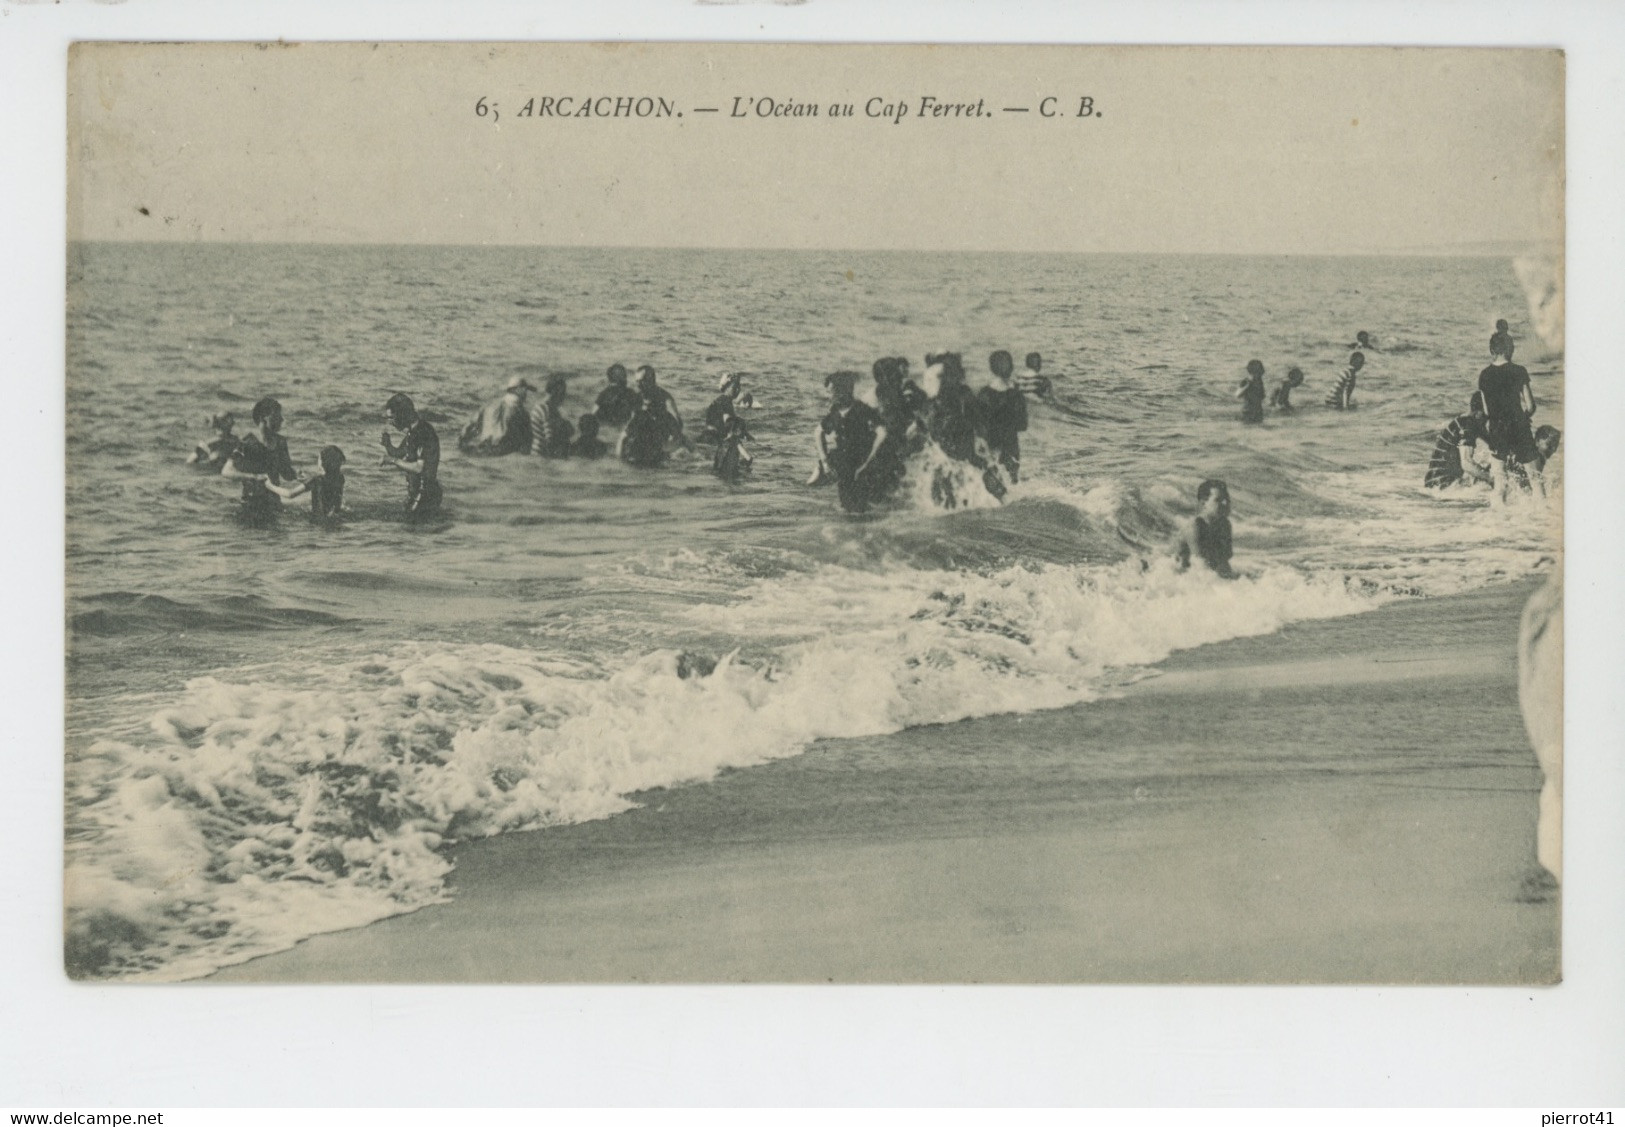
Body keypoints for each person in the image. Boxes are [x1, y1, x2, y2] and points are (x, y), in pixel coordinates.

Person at [817, 370, 888, 513]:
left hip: (862, 463)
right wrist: (824, 461)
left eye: (831, 392)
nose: (828, 396)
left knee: (862, 506)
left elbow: (882, 433)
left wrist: (869, 461)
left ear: (844, 391)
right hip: (845, 464)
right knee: (847, 505)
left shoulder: (862, 409)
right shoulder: (836, 412)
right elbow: (818, 432)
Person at [221, 396, 297, 522]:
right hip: (251, 503)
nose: (282, 419)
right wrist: (253, 477)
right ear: (263, 418)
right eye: (277, 416)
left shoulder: (281, 442)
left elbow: (286, 473)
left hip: (274, 502)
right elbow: (227, 471)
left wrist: (297, 475)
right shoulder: (247, 442)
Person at [1477, 331, 1539, 480]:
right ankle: (1539, 504)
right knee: (1534, 478)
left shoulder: (1484, 375)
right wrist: (1524, 417)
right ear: (1511, 349)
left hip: (1497, 429)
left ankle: (1499, 504)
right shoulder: (1519, 371)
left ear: (1492, 350)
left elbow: (1486, 410)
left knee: (1500, 481)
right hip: (1519, 427)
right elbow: (1531, 406)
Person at [380, 392, 442, 518]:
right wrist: (387, 444)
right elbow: (399, 453)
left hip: (425, 493)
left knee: (409, 527)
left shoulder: (423, 432)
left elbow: (418, 468)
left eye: (392, 418)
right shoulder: (413, 433)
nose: (391, 423)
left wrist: (391, 460)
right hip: (417, 492)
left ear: (402, 415)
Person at [1423, 391, 1494, 490]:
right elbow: (1467, 464)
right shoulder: (1468, 425)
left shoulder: (1464, 421)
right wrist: (1491, 478)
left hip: (1434, 483)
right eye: (1487, 416)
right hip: (1443, 485)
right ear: (1479, 413)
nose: (1488, 420)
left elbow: (1494, 445)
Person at [978, 350, 1030, 482]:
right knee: (1012, 478)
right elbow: (1023, 425)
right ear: (1011, 368)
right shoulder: (1016, 394)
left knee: (992, 479)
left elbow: (980, 425)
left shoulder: (984, 394)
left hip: (991, 442)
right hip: (1011, 443)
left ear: (991, 368)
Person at [1172, 479, 1236, 579]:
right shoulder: (1195, 527)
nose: (1225, 504)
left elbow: (1225, 561)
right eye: (1218, 500)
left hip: (1197, 575)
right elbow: (1202, 568)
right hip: (1173, 577)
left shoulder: (1225, 524)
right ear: (1203, 503)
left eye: (1226, 500)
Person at [458, 373, 535, 456]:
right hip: (504, 453)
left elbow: (466, 430)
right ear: (519, 390)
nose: (527, 394)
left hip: (483, 450)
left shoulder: (489, 406)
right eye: (525, 390)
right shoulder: (522, 413)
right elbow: (528, 442)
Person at [619, 379, 688, 468]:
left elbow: (680, 437)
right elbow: (623, 437)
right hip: (641, 455)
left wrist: (621, 460)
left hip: (649, 455)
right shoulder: (641, 416)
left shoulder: (666, 417)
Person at [269, 445, 347, 519]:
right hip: (334, 517)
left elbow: (290, 494)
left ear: (323, 462)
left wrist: (269, 485)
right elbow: (324, 483)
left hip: (318, 520)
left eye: (319, 458)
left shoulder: (316, 480)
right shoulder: (340, 478)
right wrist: (306, 479)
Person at [529, 373, 574, 458]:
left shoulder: (545, 407)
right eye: (562, 393)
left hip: (539, 453)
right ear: (555, 392)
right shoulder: (545, 410)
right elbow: (549, 439)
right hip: (542, 455)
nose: (564, 396)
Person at [701, 372, 745, 444]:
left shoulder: (722, 399)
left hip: (708, 435)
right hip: (713, 438)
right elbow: (728, 420)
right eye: (734, 387)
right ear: (726, 388)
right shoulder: (726, 401)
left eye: (739, 387)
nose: (738, 390)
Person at [594, 364, 639, 430]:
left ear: (609, 378)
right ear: (624, 378)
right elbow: (636, 416)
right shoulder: (631, 393)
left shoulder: (604, 393)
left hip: (605, 426)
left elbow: (592, 414)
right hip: (622, 425)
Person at [713, 414, 754, 484]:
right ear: (739, 431)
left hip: (721, 472)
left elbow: (718, 461)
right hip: (732, 473)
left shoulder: (723, 442)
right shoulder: (736, 441)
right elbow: (748, 458)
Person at [1236, 359, 1267, 423]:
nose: (1263, 372)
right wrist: (1247, 386)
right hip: (1248, 411)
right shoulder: (1246, 381)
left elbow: (1262, 396)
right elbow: (1237, 394)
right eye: (1260, 371)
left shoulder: (1259, 381)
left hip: (1258, 410)